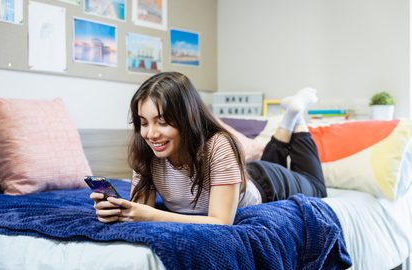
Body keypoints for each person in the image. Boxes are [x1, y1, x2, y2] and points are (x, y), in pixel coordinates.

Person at [90, 72, 327, 225]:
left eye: (162, 121)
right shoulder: (147, 152)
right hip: (238, 178)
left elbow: (221, 221)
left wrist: (147, 214)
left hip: (268, 184)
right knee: (268, 160)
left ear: (186, 119)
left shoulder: (218, 145)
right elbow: (140, 210)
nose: (151, 133)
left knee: (316, 188)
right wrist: (118, 210)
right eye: (144, 122)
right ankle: (290, 117)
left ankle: (296, 115)